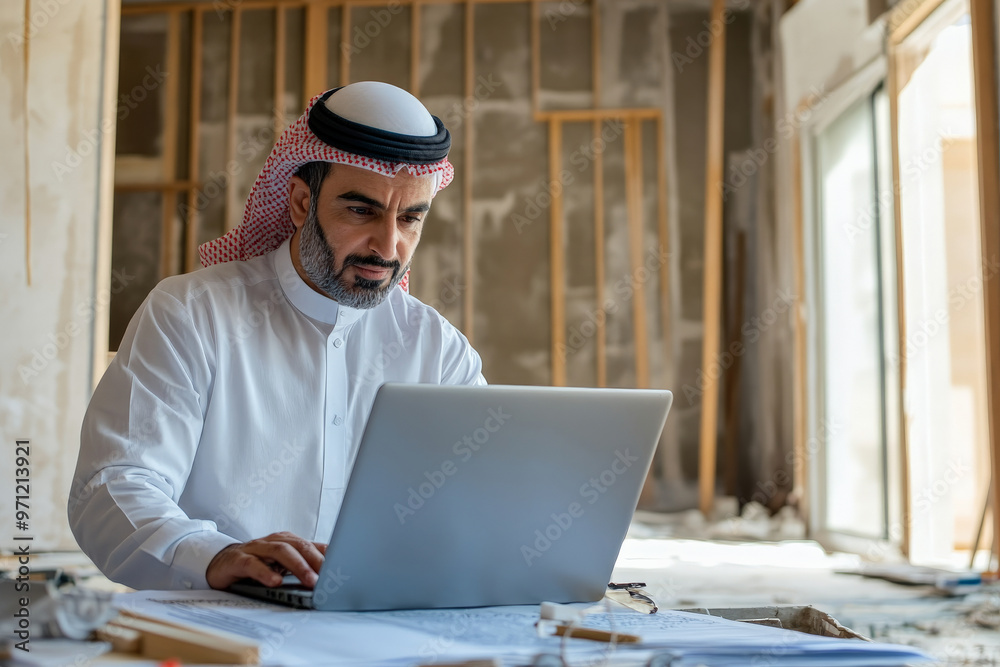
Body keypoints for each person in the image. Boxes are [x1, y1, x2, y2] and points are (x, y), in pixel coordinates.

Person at [68, 82, 486, 591]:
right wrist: (216, 555)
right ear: (298, 202)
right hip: (217, 634)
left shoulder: (439, 352)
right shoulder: (192, 314)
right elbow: (112, 485)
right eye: (361, 211)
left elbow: (478, 506)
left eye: (410, 219)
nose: (388, 245)